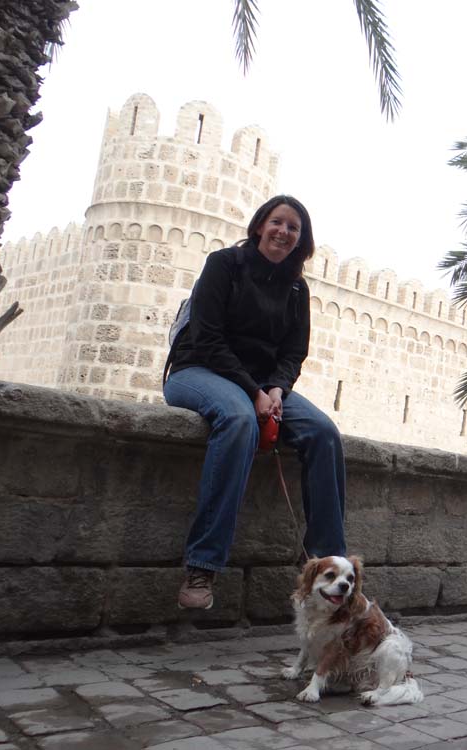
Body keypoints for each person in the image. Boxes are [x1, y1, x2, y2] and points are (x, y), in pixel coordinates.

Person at [163, 195, 346, 610]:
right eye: (277, 222)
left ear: (302, 240)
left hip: (263, 386)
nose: (284, 232)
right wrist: (254, 391)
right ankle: (202, 565)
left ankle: (330, 571)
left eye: (294, 228)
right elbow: (207, 338)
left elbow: (293, 352)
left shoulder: (296, 288)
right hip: (198, 371)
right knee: (239, 419)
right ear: (261, 225)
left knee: (323, 433)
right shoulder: (224, 264)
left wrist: (277, 388)